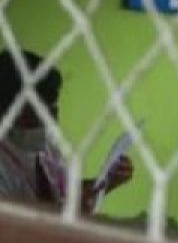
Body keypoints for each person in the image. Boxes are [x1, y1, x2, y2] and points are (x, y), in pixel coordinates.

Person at [0, 49, 134, 210]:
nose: (49, 122)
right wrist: (70, 209)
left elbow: (63, 190)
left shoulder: (47, 146)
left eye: (52, 112)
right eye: (33, 114)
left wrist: (104, 182)